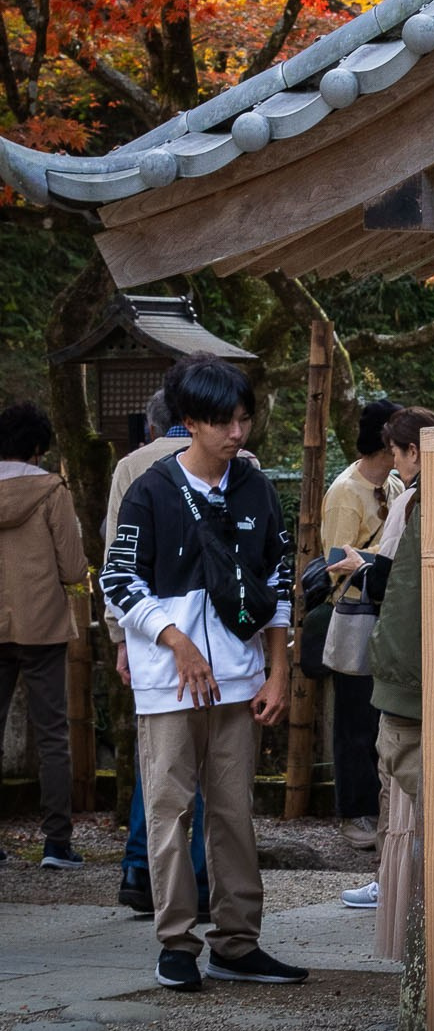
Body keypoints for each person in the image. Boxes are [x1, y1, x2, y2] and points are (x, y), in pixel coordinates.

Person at [100, 355, 305, 990]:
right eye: (223, 422)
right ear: (190, 422)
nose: (237, 433)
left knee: (235, 811)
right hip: (168, 682)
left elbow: (278, 580)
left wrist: (278, 672)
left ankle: (239, 942)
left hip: (242, 679)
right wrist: (174, 642)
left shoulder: (256, 487)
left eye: (243, 419)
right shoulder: (151, 488)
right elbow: (117, 579)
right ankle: (176, 943)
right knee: (168, 810)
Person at [335, 406, 434, 939]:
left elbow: (400, 583)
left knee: (402, 791)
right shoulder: (429, 494)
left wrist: (363, 567)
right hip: (429, 666)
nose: (395, 463)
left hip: (406, 667)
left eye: (398, 453)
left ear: (412, 452)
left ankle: (403, 897)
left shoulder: (416, 499)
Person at [104, 388, 207, 914]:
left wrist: (120, 636)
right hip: (219, 634)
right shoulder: (241, 464)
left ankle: (139, 870)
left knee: (161, 760)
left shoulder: (132, 467)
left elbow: (114, 558)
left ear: (152, 424)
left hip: (150, 628)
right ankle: (204, 878)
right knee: (212, 763)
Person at [0, 402, 89, 869]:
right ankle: (56, 843)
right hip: (42, 625)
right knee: (53, 734)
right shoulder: (52, 490)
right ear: (37, 448)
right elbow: (74, 567)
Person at [321, 397, 403, 853]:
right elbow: (336, 561)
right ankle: (354, 811)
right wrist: (383, 562)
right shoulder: (344, 491)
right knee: (354, 719)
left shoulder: (393, 484)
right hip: (355, 613)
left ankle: (380, 805)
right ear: (384, 443)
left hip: (386, 610)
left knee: (380, 717)